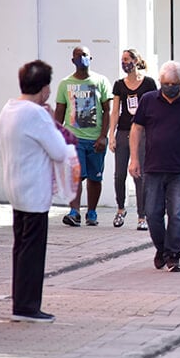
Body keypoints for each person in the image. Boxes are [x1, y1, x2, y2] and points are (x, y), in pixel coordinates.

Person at [0, 61, 70, 323]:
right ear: (44, 88)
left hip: (15, 187)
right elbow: (60, 151)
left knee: (21, 247)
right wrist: (52, 122)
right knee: (32, 250)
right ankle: (28, 307)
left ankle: (22, 302)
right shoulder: (36, 114)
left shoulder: (8, 109)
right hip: (34, 191)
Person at [129, 61, 180, 273]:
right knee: (152, 213)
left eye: (174, 83)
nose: (169, 87)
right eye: (165, 83)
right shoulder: (148, 100)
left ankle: (173, 254)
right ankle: (162, 248)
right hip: (153, 167)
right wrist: (134, 158)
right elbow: (136, 128)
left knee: (178, 214)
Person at [55, 46, 112, 228]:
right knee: (75, 175)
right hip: (74, 138)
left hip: (95, 138)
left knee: (95, 178)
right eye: (78, 55)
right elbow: (60, 111)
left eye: (85, 55)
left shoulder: (100, 81)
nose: (82, 58)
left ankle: (92, 212)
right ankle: (74, 212)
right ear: (72, 60)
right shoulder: (65, 84)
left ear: (91, 58)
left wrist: (104, 136)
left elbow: (107, 110)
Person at [108, 49, 157, 230]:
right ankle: (120, 209)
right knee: (119, 174)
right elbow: (115, 111)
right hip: (124, 131)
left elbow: (155, 108)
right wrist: (111, 135)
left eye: (127, 59)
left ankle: (142, 215)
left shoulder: (149, 83)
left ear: (136, 61)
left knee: (140, 174)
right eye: (122, 60)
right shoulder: (119, 84)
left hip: (143, 132)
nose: (124, 63)